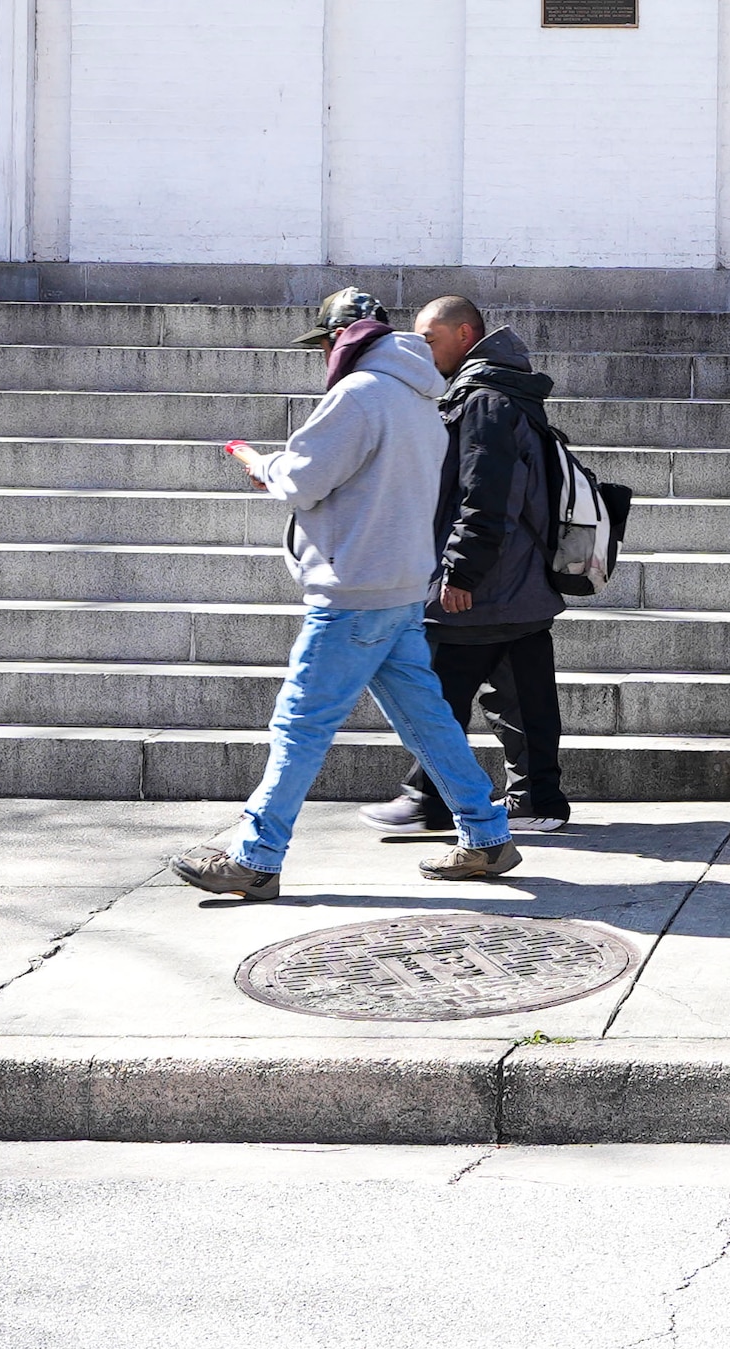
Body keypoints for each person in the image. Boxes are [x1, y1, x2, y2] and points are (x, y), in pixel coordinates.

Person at [171, 285, 523, 900]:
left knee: (300, 726)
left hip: (352, 591)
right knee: (428, 721)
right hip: (398, 587)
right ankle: (487, 835)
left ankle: (256, 857)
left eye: (326, 342)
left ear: (342, 338)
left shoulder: (358, 395)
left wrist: (260, 463)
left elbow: (302, 479)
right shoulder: (419, 394)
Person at [368, 293, 575, 837]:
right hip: (517, 580)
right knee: (521, 696)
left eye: (430, 338)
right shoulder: (502, 392)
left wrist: (460, 571)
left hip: (487, 584)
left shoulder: (484, 399)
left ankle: (429, 798)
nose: (420, 348)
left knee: (434, 693)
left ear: (464, 335)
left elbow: (484, 495)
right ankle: (537, 800)